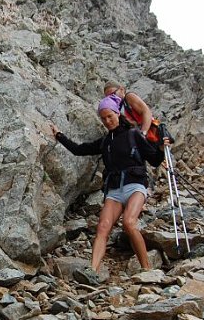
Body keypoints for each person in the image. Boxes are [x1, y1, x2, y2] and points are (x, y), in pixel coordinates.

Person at [50, 93, 165, 279]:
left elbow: (154, 159)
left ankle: (147, 270)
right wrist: (59, 135)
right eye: (103, 118)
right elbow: (79, 150)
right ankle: (92, 272)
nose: (107, 121)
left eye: (110, 116)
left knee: (129, 222)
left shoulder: (133, 134)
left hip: (135, 184)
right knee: (103, 227)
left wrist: (160, 147)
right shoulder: (105, 142)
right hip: (114, 190)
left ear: (117, 113)